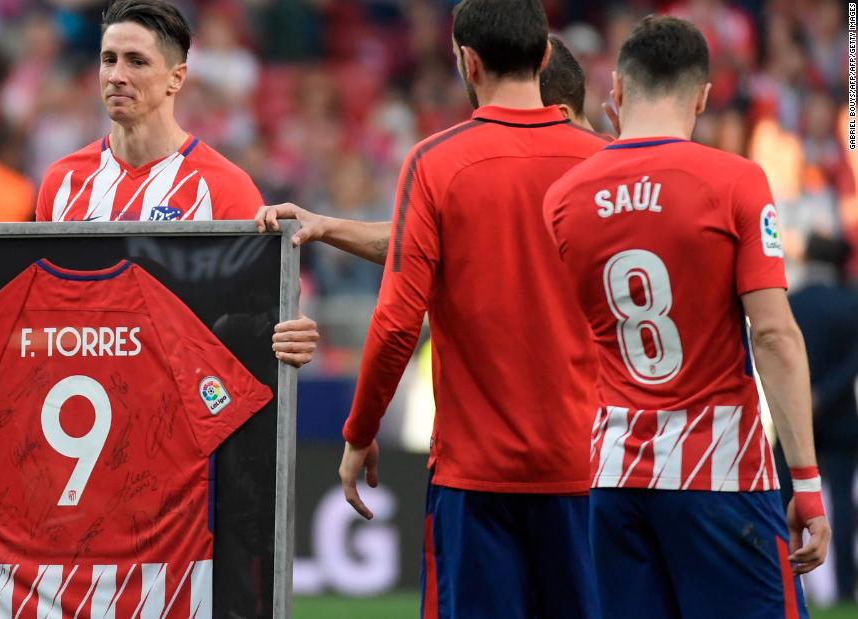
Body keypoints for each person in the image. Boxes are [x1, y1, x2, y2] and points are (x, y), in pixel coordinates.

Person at [277, 0, 609, 615]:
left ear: (467, 62)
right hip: (589, 469)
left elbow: (399, 318)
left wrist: (360, 431)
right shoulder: (603, 168)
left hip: (475, 477)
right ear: (544, 57)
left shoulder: (435, 162)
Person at [542, 16, 829, 619]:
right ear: (702, 94)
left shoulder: (564, 198)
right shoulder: (735, 182)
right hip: (718, 470)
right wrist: (804, 481)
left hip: (615, 474)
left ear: (616, 89)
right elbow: (774, 334)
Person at [0, 0, 318, 368]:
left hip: (180, 425)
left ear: (176, 78)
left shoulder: (225, 188)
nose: (117, 75)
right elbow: (32, 306)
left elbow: (262, 315)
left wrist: (291, 333)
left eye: (137, 61)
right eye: (108, 59)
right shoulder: (62, 181)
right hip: (76, 405)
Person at [255, 32, 606, 263]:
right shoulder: (618, 171)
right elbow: (420, 241)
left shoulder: (475, 163)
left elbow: (416, 250)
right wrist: (324, 226)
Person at [784, 234, 858, 605]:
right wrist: (824, 395)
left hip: (793, 420)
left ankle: (786, 583)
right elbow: (852, 364)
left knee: (785, 502)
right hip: (842, 417)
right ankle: (845, 587)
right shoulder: (851, 303)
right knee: (841, 507)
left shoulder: (790, 303)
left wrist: (804, 396)